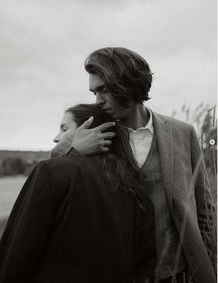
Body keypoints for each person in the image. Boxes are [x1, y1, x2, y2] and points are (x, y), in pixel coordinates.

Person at [51, 47, 216, 283]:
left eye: (104, 90)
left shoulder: (183, 133)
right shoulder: (94, 135)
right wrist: (76, 150)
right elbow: (52, 184)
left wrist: (205, 263)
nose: (98, 101)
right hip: (116, 273)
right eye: (94, 92)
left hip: (178, 272)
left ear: (128, 84)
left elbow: (204, 209)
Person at [0, 104, 156, 283]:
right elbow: (144, 264)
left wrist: (69, 155)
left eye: (64, 128)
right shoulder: (135, 186)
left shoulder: (51, 171)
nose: (56, 138)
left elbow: (19, 250)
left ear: (89, 131)